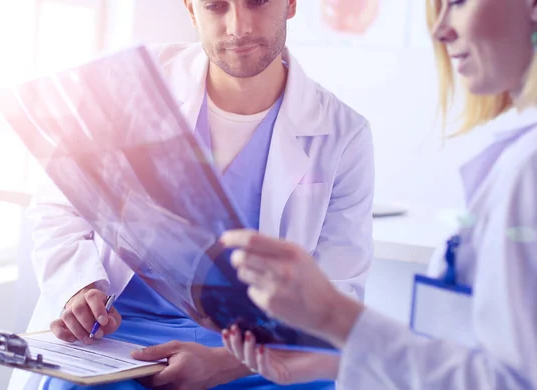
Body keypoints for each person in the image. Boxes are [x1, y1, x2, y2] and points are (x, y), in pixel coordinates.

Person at [9, 0, 376, 389]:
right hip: (120, 339)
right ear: (190, 8)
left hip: (256, 352)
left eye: (256, 2)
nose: (238, 27)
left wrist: (225, 363)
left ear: (290, 3)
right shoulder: (129, 87)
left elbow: (339, 292)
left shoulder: (343, 134)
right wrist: (80, 287)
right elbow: (57, 205)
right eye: (216, 6)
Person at [221, 0, 537, 388]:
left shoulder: (529, 170)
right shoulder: (518, 160)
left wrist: (336, 317)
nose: (440, 31)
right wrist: (334, 363)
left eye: (458, 2)